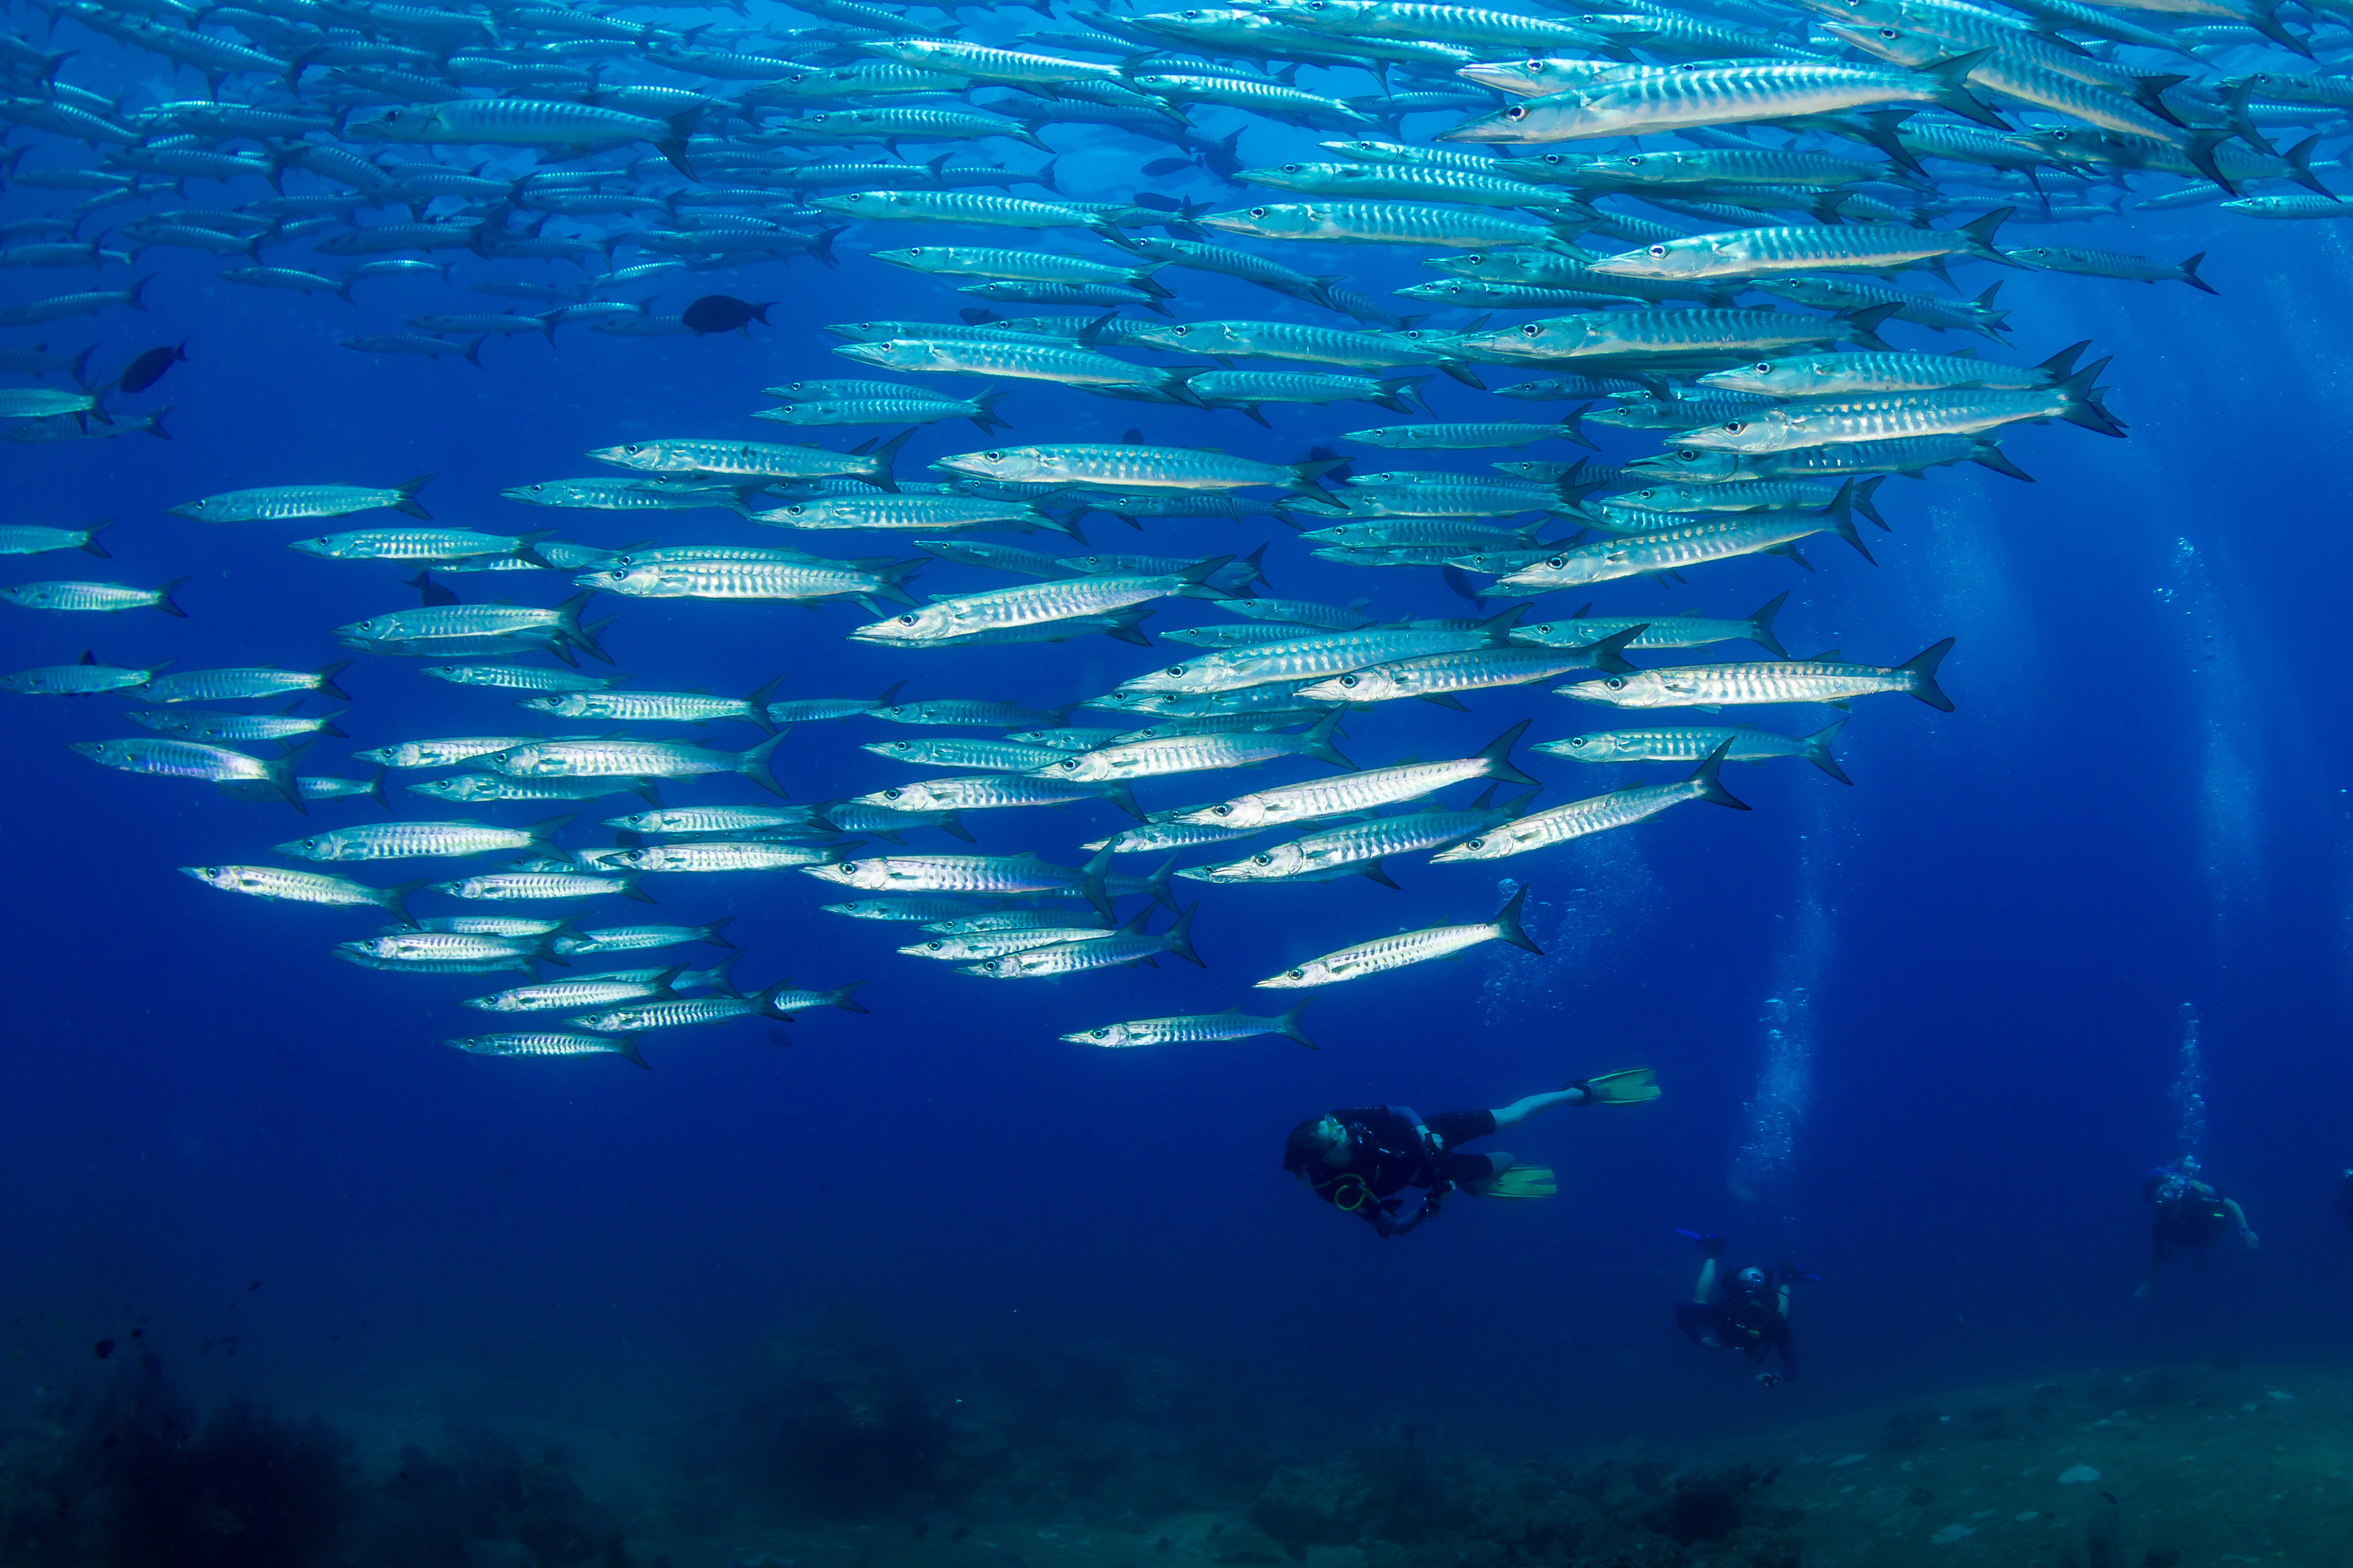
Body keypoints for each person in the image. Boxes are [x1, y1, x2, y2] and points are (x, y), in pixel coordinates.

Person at [1281, 1069, 1660, 1238]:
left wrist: (1425, 1132)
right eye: (1334, 1135)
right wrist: (1430, 1205)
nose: (1340, 1127)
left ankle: (1577, 1092)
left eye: (1332, 1122)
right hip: (1428, 1175)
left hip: (1426, 1134)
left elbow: (1400, 1110)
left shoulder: (1340, 1117)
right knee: (1506, 1159)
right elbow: (1392, 1227)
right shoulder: (1338, 1190)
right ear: (1327, 1157)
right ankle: (1479, 1186)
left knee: (1513, 1114)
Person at [1672, 1230, 1809, 1386]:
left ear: (1770, 1315)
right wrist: (1698, 1339)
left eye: (1762, 1316)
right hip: (1729, 1318)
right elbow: (1680, 1306)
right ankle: (1713, 1251)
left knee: (1782, 1317)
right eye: (1754, 1313)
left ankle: (1787, 1276)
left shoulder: (1777, 1324)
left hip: (1755, 1322)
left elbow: (1794, 1369)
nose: (1755, 1320)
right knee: (1700, 1304)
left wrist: (1778, 1377)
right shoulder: (1727, 1310)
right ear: (1745, 1307)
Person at [2135, 1155, 2258, 1298]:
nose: (2166, 1199)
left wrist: (2245, 1231)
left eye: (2166, 1192)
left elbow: (2230, 1203)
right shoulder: (2162, 1221)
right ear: (2156, 1204)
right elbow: (2157, 1252)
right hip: (2190, 1238)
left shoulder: (2192, 1199)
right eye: (2160, 1198)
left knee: (2221, 1221)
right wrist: (2150, 1282)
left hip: (2209, 1228)